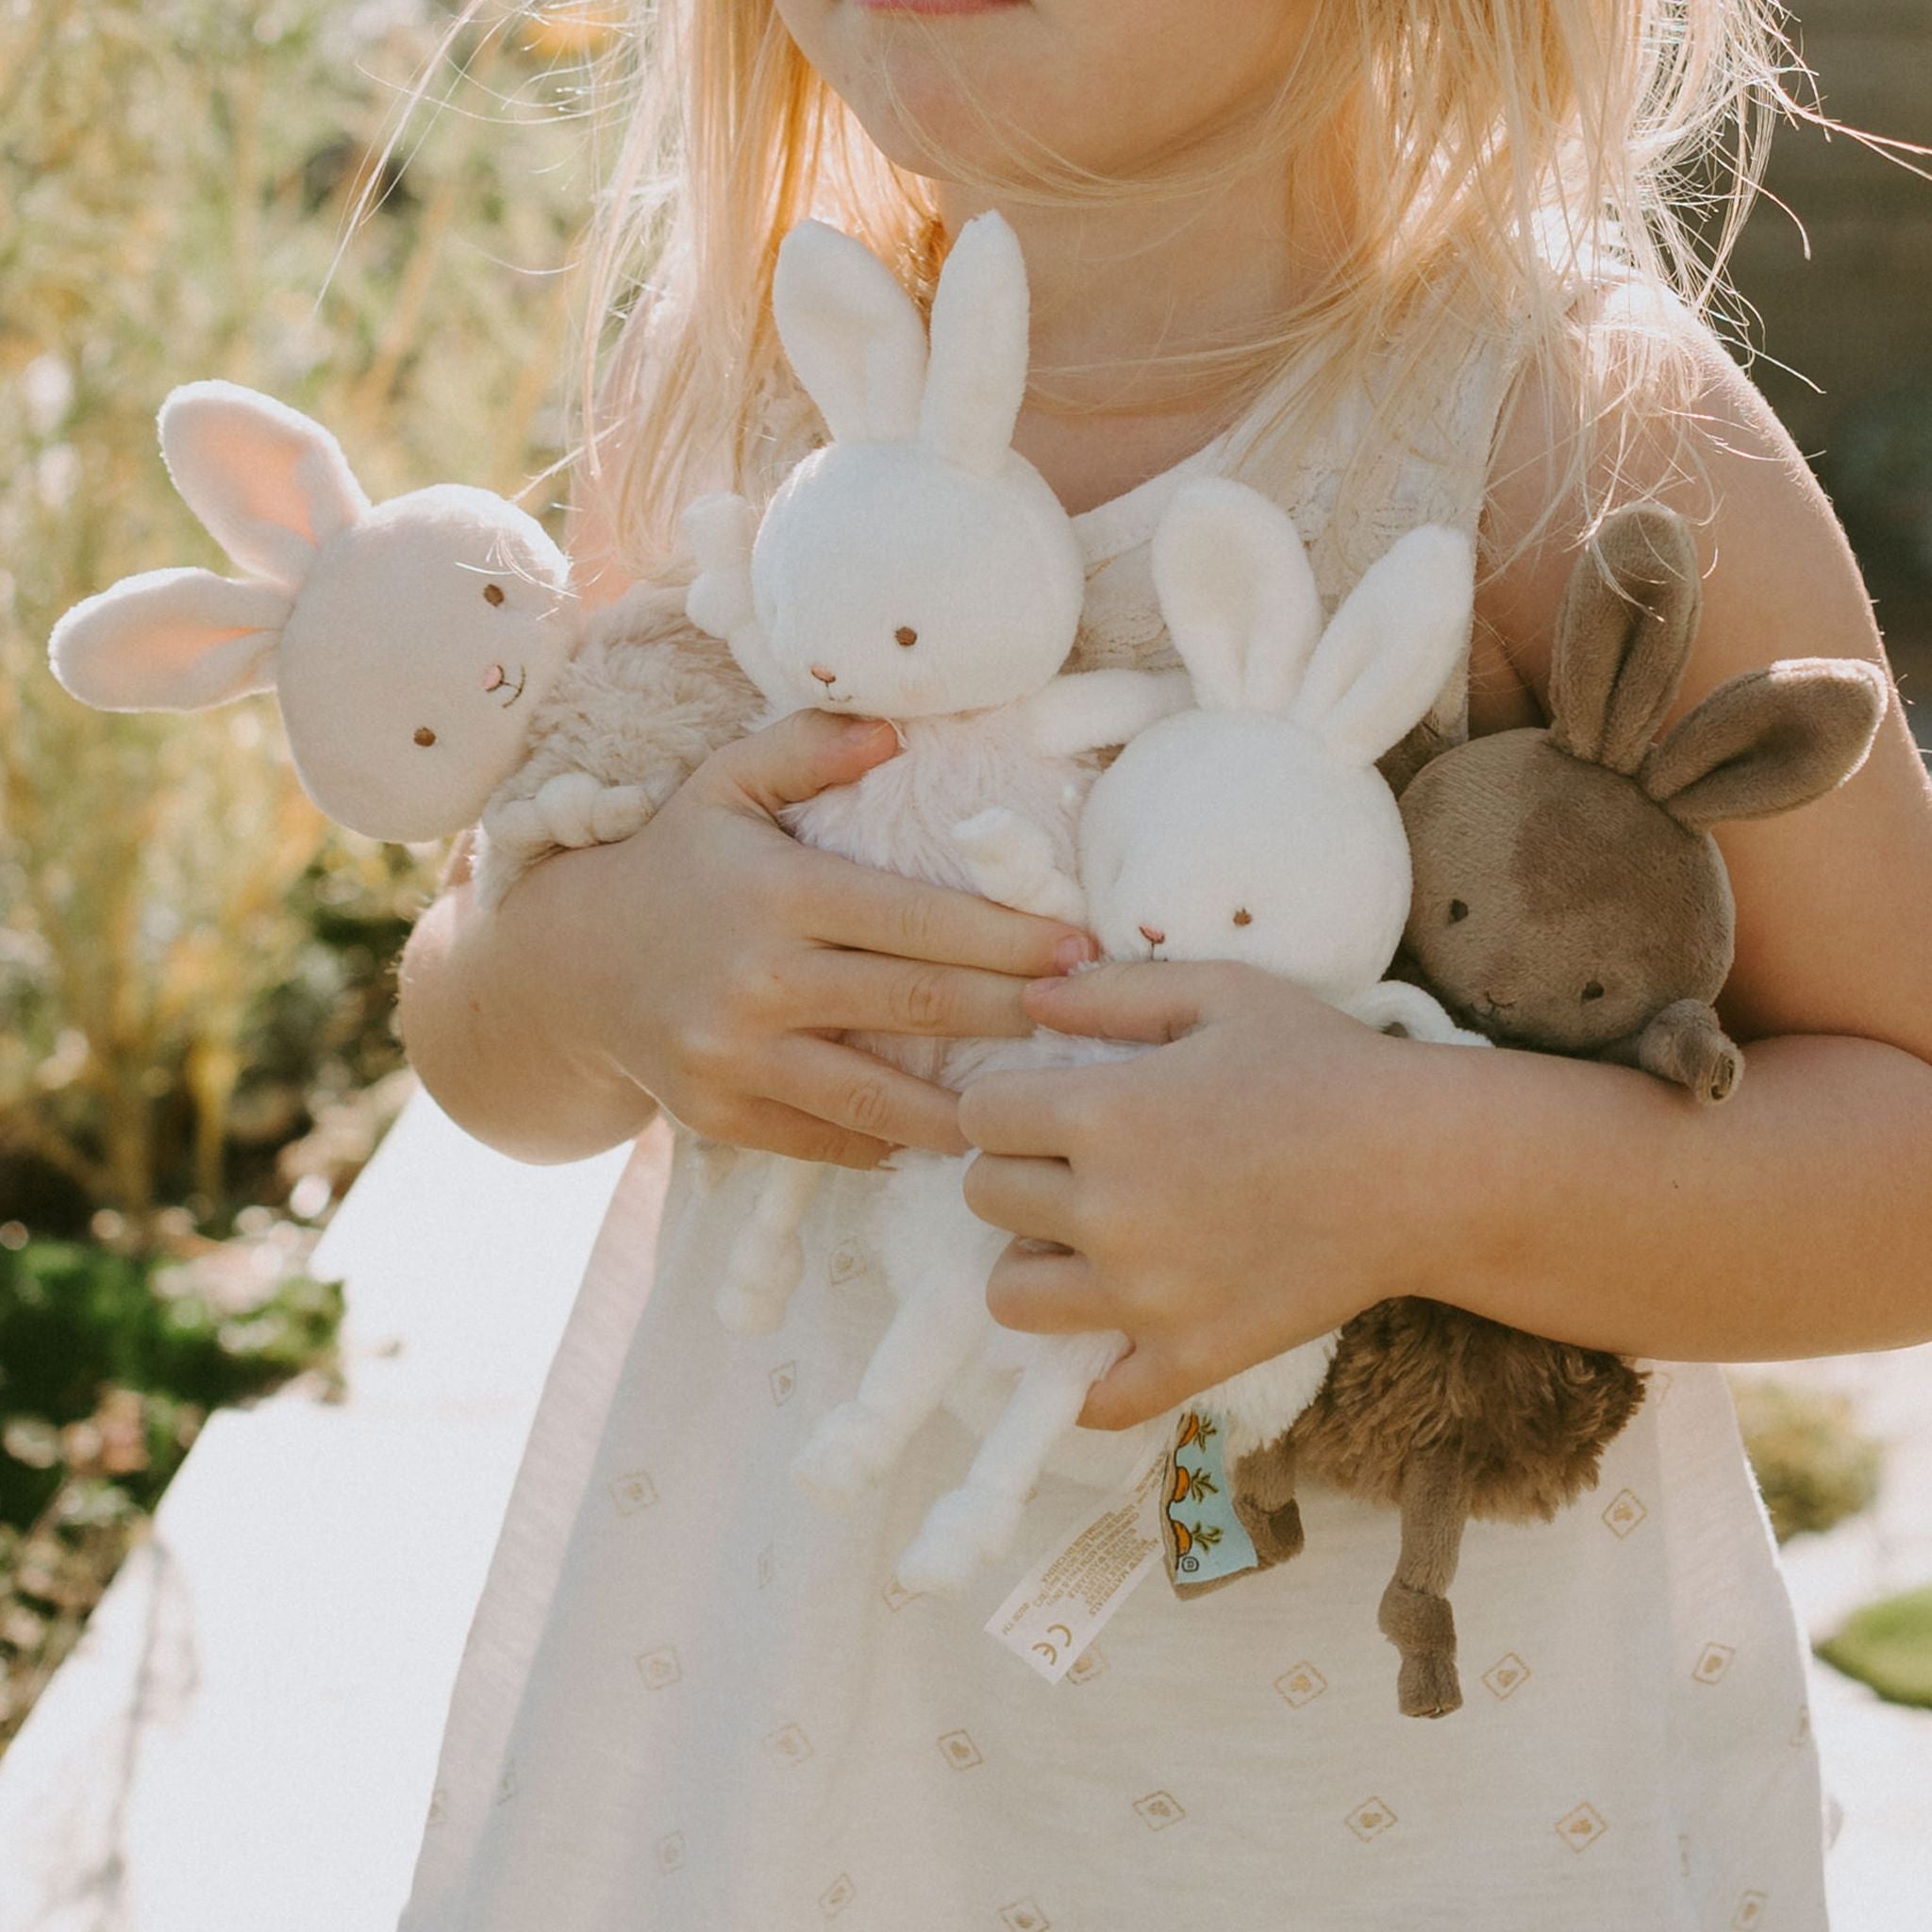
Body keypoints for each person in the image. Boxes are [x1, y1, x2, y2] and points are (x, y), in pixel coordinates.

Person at [383, 2, 1932, 1925]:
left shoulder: (1559, 428)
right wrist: (588, 967)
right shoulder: (741, 390)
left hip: (1392, 1796)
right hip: (788, 1743)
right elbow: (477, 1027)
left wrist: (1420, 1168)